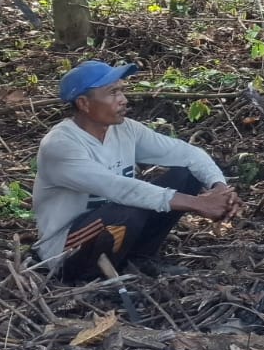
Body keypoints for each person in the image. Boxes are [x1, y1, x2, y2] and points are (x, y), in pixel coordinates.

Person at [33, 61, 240, 281]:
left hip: (115, 227)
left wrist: (220, 189)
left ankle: (138, 260)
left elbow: (188, 154)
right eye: (113, 93)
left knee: (185, 173)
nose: (123, 99)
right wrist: (197, 203)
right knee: (126, 208)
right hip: (65, 250)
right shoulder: (60, 145)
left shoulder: (125, 129)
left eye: (121, 90)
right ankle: (91, 278)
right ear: (84, 103)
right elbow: (120, 189)